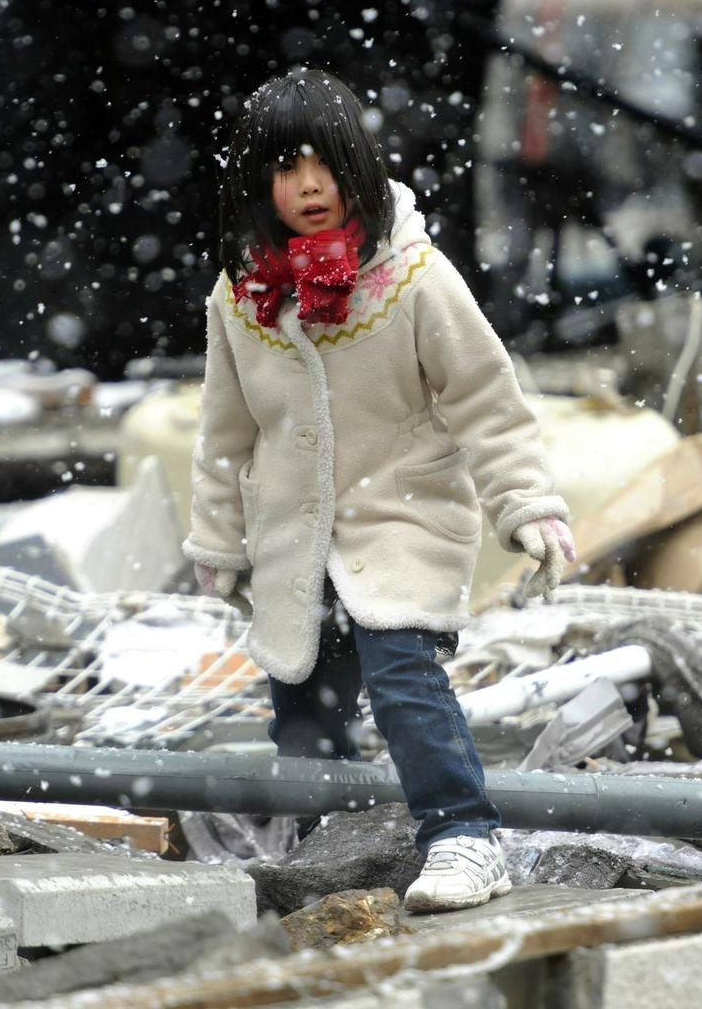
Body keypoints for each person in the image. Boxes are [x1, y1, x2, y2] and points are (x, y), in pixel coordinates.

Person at [183, 69, 575, 914]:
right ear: (259, 184)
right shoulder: (241, 295)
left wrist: (526, 504)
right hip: (295, 541)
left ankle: (463, 834)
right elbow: (225, 432)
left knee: (405, 681)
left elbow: (488, 401)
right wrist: (216, 541)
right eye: (287, 169)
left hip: (401, 520)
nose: (310, 186)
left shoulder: (414, 279)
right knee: (303, 705)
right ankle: (333, 846)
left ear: (357, 164)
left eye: (326, 164)